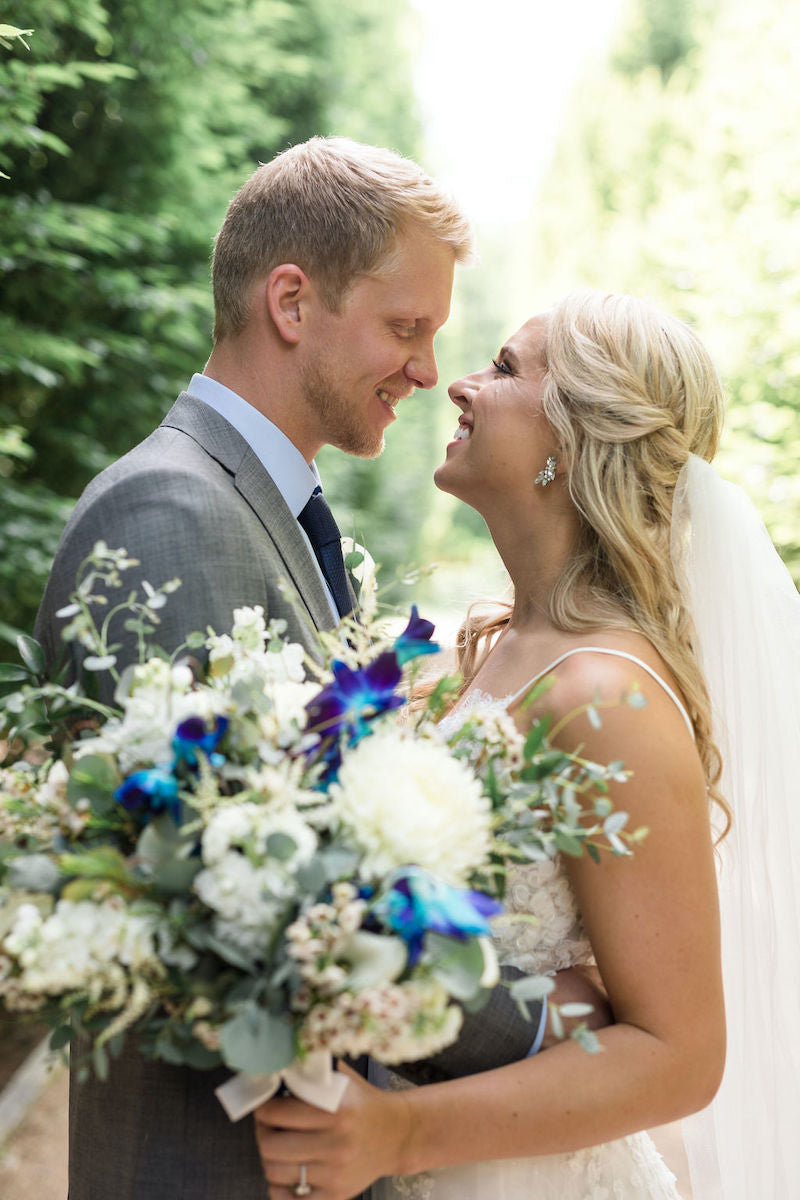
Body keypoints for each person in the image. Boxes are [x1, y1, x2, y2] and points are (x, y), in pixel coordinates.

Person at [35, 140, 608, 1200]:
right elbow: (257, 886)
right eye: (405, 329)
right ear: (290, 301)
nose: (430, 372)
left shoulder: (277, 514)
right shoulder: (171, 514)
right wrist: (536, 1015)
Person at [251, 290, 746, 1199]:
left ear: (577, 438)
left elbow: (681, 1057)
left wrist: (398, 1134)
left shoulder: (609, 698)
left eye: (505, 368)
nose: (460, 385)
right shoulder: (475, 658)